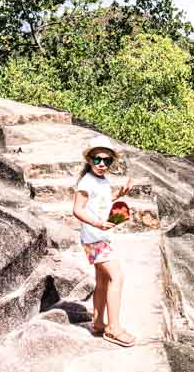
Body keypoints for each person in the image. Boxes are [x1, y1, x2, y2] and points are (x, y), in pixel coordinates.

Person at [72, 135, 136, 347]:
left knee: (102, 281)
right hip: (94, 238)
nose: (101, 164)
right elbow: (77, 210)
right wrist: (98, 224)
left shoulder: (102, 180)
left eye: (106, 161)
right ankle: (113, 328)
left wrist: (119, 194)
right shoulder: (86, 181)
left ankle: (99, 323)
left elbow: (102, 202)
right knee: (117, 277)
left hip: (101, 237)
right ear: (89, 160)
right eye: (97, 159)